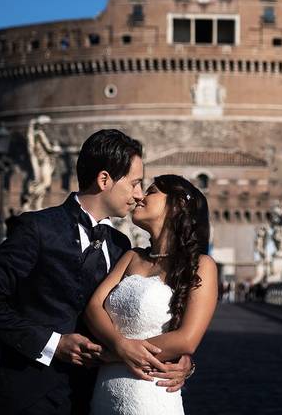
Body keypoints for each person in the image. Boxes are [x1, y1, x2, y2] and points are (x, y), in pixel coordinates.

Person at [0, 130, 192, 414]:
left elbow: (136, 315)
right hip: (33, 396)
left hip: (97, 396)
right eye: (135, 183)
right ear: (104, 180)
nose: (138, 195)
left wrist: (180, 359)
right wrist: (53, 344)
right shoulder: (37, 229)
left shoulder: (121, 246)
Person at [85, 175, 217, 415]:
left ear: (176, 206)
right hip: (105, 392)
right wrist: (120, 346)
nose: (140, 196)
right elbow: (94, 307)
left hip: (150, 396)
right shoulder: (131, 257)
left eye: (152, 191)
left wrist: (114, 355)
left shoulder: (202, 265)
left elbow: (187, 339)